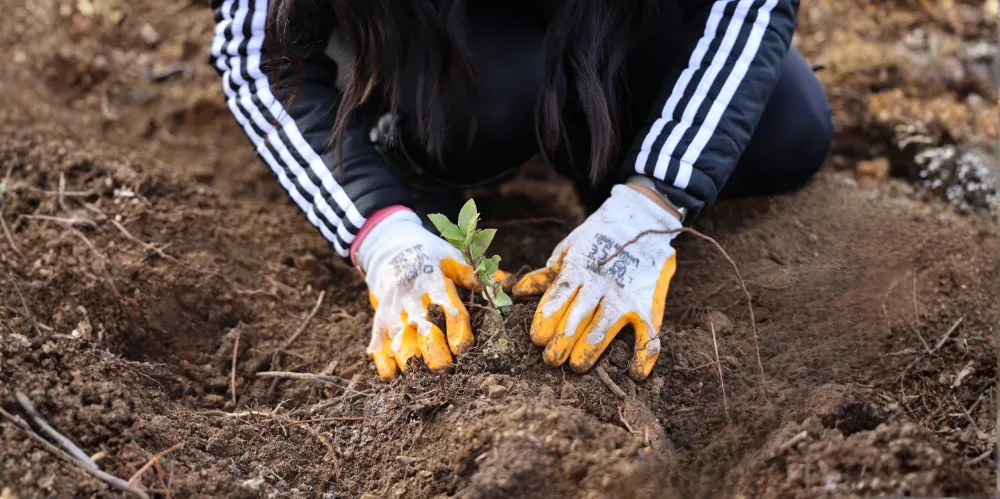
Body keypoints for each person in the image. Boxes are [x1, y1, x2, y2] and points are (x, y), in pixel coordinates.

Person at [210, 0, 831, 382]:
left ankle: (596, 146)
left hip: (593, 17)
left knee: (786, 130)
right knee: (482, 103)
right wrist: (380, 231)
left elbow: (745, 4)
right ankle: (411, 153)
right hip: (422, 30)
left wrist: (651, 200)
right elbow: (256, 55)